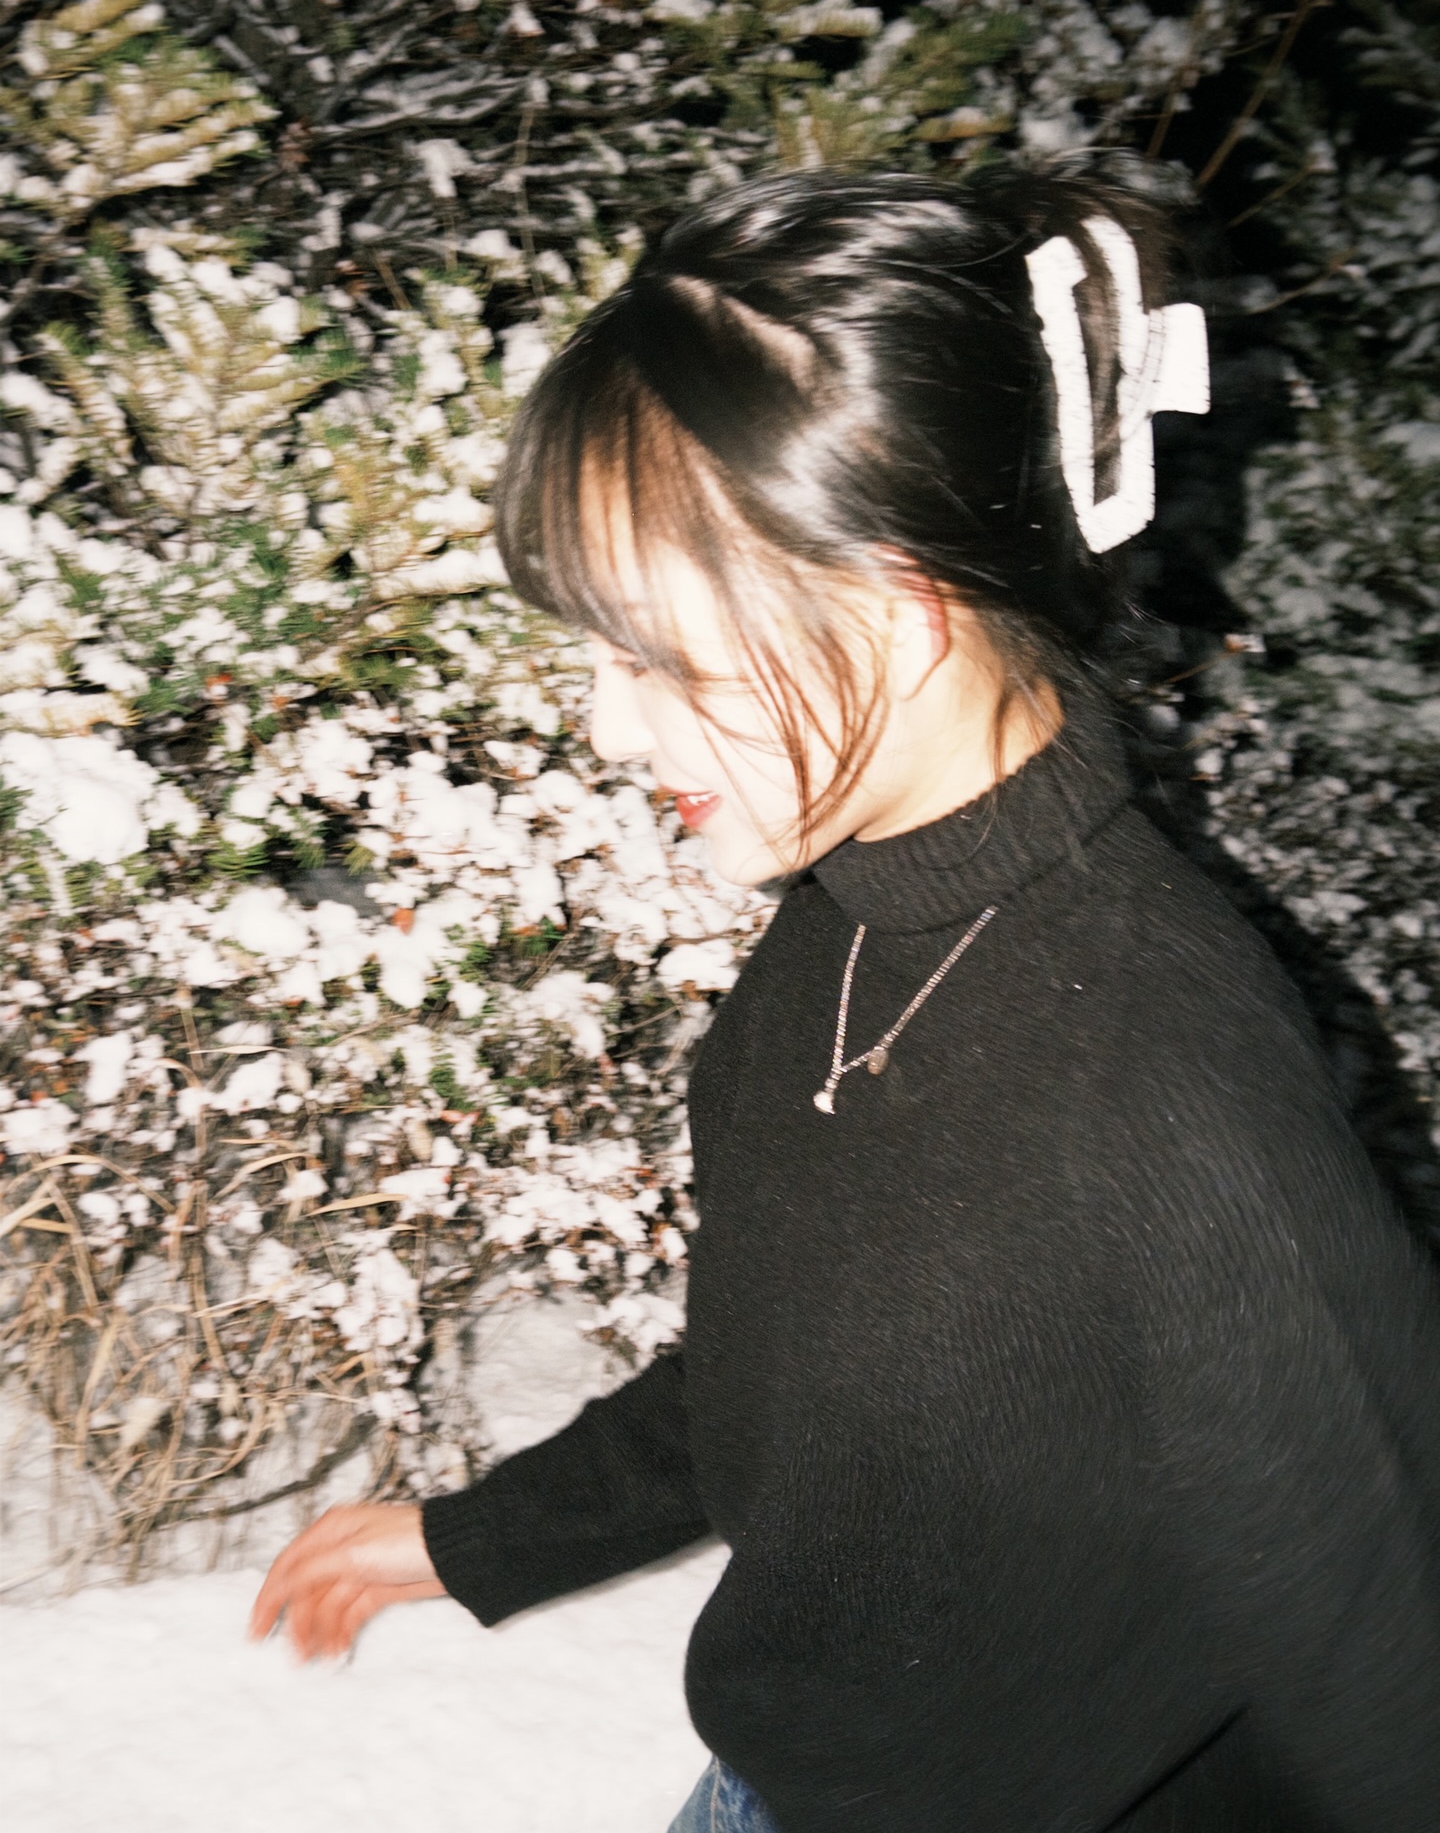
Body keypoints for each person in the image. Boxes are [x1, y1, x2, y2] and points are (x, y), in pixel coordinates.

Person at [249, 160, 1440, 1831]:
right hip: (779, 1780)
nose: (609, 727)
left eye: (660, 660)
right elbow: (786, 1375)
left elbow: (1388, 1654)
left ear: (901, 608)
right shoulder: (849, 926)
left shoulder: (1167, 1094)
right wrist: (476, 1539)